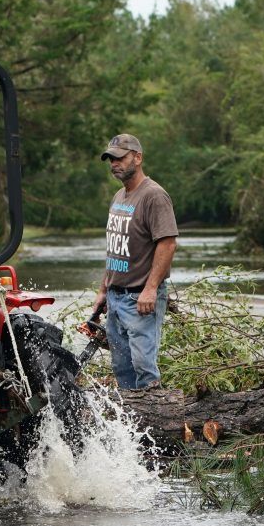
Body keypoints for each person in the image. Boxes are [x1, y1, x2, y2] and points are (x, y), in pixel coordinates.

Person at [91, 133, 177, 390]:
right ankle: (131, 425)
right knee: (122, 369)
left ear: (138, 158)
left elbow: (168, 243)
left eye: (120, 158)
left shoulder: (154, 196)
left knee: (144, 368)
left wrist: (151, 289)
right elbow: (115, 249)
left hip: (140, 299)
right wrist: (103, 290)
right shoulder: (119, 197)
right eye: (111, 159)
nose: (114, 164)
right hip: (116, 298)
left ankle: (155, 424)